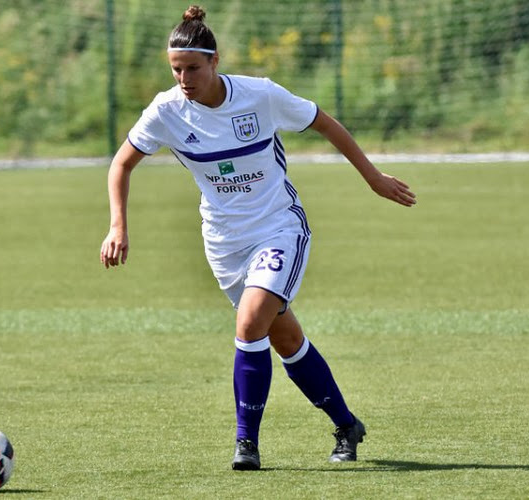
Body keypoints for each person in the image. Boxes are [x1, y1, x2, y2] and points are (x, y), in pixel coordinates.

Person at [100, 5, 416, 471]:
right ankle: (347, 425)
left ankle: (246, 443)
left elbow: (324, 122)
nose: (183, 78)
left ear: (215, 61)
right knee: (285, 339)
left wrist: (371, 177)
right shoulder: (166, 111)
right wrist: (118, 224)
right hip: (224, 244)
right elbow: (121, 163)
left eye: (192, 68)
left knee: (250, 326)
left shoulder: (260, 96)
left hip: (278, 227)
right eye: (175, 69)